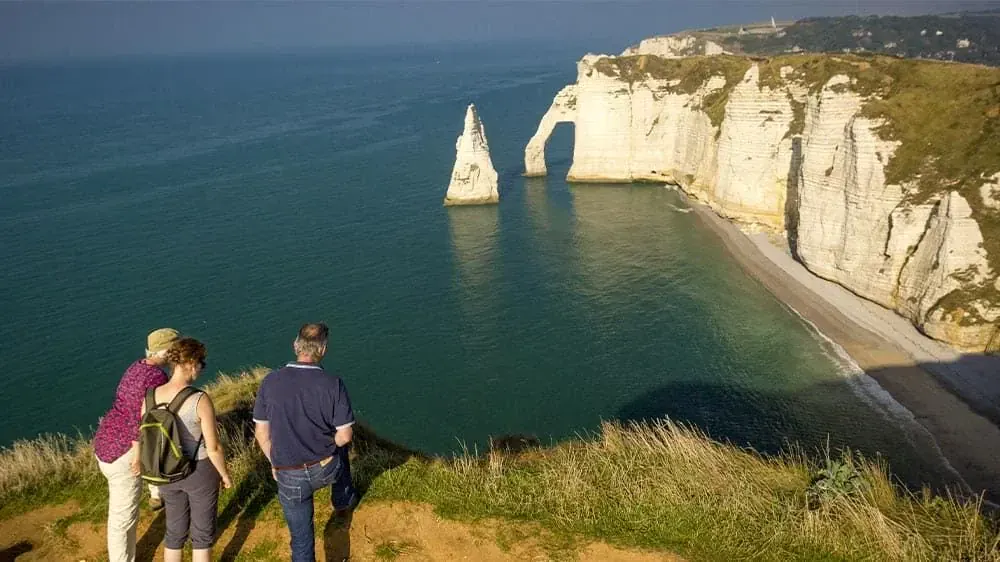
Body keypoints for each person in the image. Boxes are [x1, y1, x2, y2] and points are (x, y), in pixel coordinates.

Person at [253, 323, 358, 562]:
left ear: (295, 345)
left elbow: (261, 433)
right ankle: (342, 500)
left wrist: (274, 460)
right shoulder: (333, 383)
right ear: (323, 349)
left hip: (288, 473)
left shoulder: (270, 382)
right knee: (341, 448)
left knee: (301, 540)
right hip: (325, 468)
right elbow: (345, 436)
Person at [140, 337, 232, 562]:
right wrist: (224, 474)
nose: (202, 368)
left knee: (174, 532)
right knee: (201, 535)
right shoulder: (199, 398)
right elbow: (214, 447)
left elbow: (144, 436)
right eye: (202, 363)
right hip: (198, 469)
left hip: (166, 471)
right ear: (191, 363)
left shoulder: (150, 397)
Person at [94, 328, 179, 562]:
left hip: (106, 442)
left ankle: (156, 494)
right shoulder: (157, 378)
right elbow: (142, 419)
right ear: (168, 352)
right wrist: (136, 455)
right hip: (124, 454)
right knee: (123, 517)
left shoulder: (136, 367)